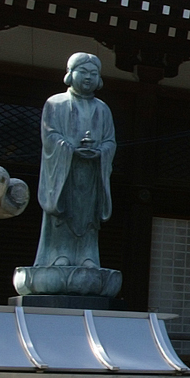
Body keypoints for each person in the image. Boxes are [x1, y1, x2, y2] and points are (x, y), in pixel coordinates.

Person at [34, 52, 116, 268]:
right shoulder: (55, 103)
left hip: (91, 173)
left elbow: (110, 142)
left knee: (89, 215)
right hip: (64, 171)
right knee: (64, 213)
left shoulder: (103, 109)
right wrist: (69, 149)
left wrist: (99, 152)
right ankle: (58, 255)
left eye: (93, 73)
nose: (88, 77)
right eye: (83, 72)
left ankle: (88, 256)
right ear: (70, 74)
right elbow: (50, 136)